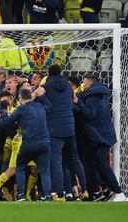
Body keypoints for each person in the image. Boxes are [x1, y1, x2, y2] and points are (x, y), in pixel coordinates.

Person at [0, 89, 53, 201]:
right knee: (44, 170)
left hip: (28, 144)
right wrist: (42, 96)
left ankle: (21, 195)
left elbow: (5, 122)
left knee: (20, 167)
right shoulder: (40, 106)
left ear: (20, 99)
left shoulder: (21, 109)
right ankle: (47, 195)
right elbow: (50, 107)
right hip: (44, 143)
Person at [74, 75, 126, 201]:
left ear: (89, 84)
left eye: (84, 84)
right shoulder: (96, 94)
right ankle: (97, 192)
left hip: (100, 137)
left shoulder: (95, 96)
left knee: (102, 165)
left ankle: (118, 192)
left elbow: (90, 114)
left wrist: (78, 102)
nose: (83, 86)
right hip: (95, 137)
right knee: (91, 165)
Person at [42, 64, 87, 201]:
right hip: (70, 128)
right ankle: (84, 190)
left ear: (49, 74)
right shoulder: (68, 86)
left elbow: (46, 105)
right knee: (75, 159)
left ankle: (60, 194)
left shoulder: (46, 88)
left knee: (56, 161)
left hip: (55, 129)